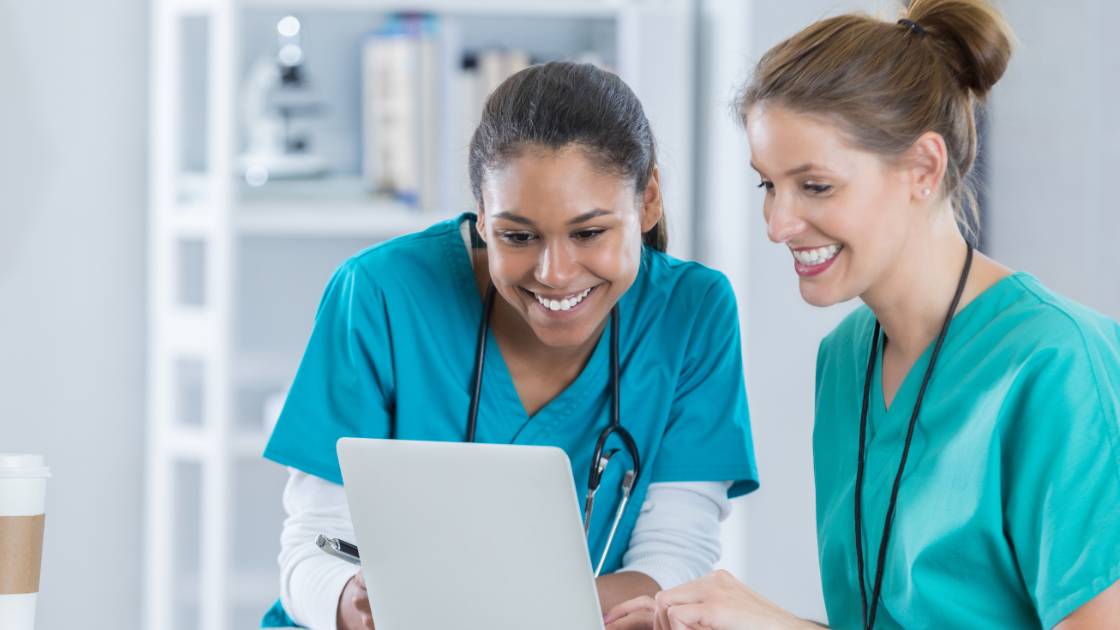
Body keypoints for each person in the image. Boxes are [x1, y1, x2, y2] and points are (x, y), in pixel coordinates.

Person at [605, 0, 1120, 628]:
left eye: (815, 186)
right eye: (768, 185)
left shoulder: (1060, 366)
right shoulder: (847, 359)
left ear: (924, 168)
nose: (777, 224)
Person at [259, 61, 759, 629]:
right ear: (481, 217)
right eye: (517, 236)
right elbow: (311, 549)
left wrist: (482, 612)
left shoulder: (692, 312)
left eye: (588, 233)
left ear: (647, 201)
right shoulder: (379, 295)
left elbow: (674, 558)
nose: (554, 272)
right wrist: (353, 604)